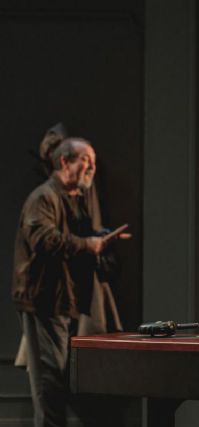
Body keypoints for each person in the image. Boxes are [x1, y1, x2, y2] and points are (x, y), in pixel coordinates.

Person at [12, 138, 121, 426]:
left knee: (60, 381)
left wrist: (101, 240)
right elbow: (45, 240)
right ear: (64, 162)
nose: (92, 167)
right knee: (49, 383)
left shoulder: (74, 200)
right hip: (45, 302)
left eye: (93, 161)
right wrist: (88, 244)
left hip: (64, 302)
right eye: (86, 160)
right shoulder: (43, 198)